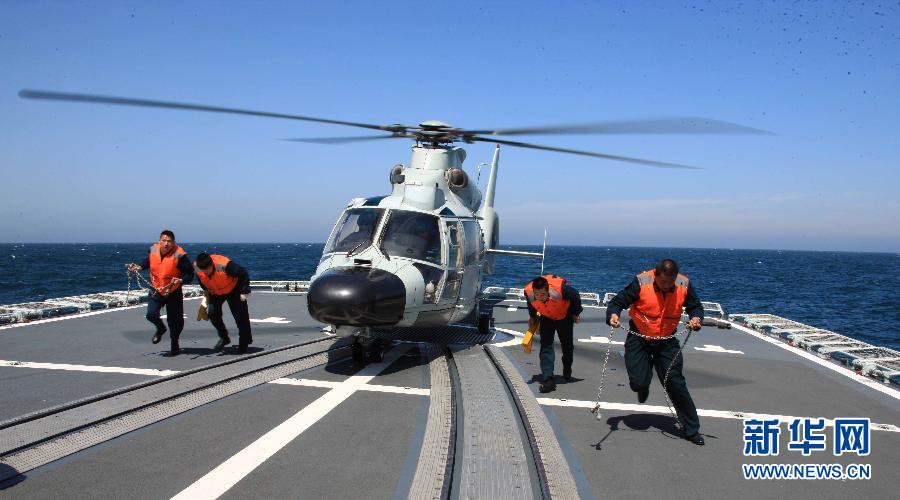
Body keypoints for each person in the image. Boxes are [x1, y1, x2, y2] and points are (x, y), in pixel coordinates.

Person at [606, 259, 706, 445]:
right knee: (638, 382)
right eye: (663, 282)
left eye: (670, 282)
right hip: (639, 337)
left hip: (667, 340)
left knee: (675, 382)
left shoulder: (683, 284)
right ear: (655, 275)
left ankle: (691, 430)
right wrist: (613, 315)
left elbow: (695, 307)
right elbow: (618, 302)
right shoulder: (641, 282)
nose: (667, 286)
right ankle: (643, 386)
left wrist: (696, 318)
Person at [128, 230, 194, 356]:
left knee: (175, 321)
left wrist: (181, 280)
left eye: (169, 241)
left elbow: (190, 274)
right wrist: (140, 267)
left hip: (173, 290)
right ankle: (161, 328)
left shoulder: (180, 255)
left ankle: (174, 343)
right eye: (164, 240)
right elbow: (149, 260)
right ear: (159, 241)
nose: (166, 243)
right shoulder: (153, 249)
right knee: (151, 314)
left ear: (173, 243)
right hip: (156, 289)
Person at [524, 275, 583, 393]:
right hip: (546, 317)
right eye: (537, 294)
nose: (539, 297)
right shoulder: (529, 293)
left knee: (567, 346)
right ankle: (548, 379)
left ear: (548, 291)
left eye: (543, 294)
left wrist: (575, 314)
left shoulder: (562, 291)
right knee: (546, 346)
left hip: (564, 317)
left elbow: (576, 296)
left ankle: (567, 369)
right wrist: (532, 317)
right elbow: (531, 304)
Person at [194, 252, 253, 353]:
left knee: (241, 317)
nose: (205, 272)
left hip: (233, 289)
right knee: (212, 314)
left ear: (212, 265)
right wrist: (206, 295)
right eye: (203, 270)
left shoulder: (225, 266)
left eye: (207, 269)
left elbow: (243, 273)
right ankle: (224, 337)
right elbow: (201, 281)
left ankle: (244, 341)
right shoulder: (198, 268)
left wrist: (244, 291)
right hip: (216, 291)